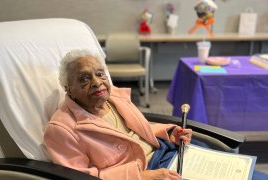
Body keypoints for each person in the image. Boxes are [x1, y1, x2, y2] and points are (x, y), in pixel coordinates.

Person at [44, 49, 192, 180]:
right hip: (144, 173)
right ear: (69, 89)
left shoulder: (114, 96)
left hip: (163, 151)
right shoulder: (61, 129)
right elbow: (80, 177)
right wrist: (140, 177)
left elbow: (138, 130)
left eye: (100, 74)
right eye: (84, 79)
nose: (96, 82)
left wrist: (169, 132)